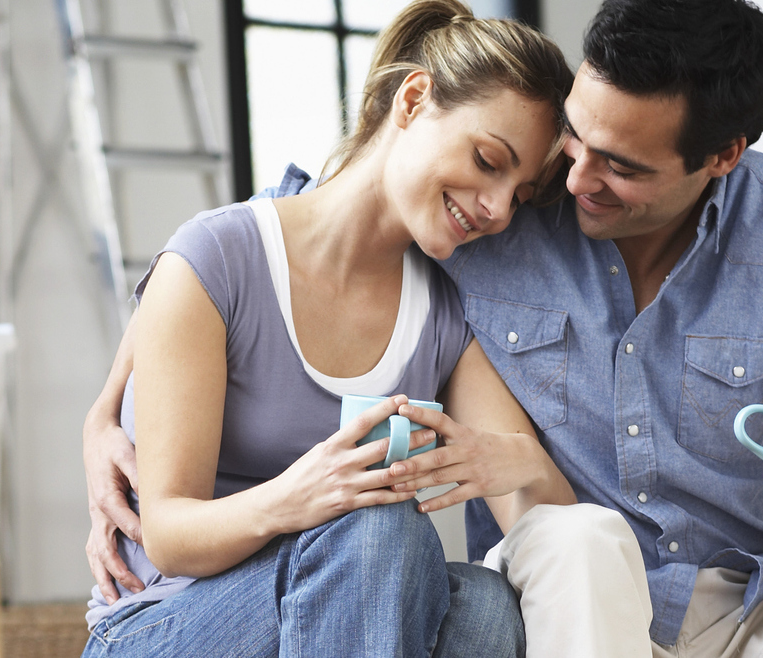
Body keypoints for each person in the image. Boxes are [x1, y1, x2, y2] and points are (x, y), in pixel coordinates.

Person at [87, 0, 763, 655]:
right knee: (551, 540)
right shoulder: (494, 209)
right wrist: (107, 405)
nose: (568, 182)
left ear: (719, 157)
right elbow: (313, 219)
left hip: (748, 604)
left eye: (620, 165)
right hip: (572, 591)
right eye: (571, 143)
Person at [80, 2, 577, 655]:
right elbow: (168, 535)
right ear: (413, 99)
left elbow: (547, 528)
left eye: (519, 193)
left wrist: (526, 460)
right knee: (372, 525)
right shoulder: (218, 257)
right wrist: (302, 497)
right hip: (162, 623)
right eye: (488, 160)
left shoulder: (445, 316)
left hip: (331, 615)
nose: (496, 210)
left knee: (484, 607)